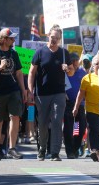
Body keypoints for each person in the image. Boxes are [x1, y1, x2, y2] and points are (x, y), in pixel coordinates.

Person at [0, 28, 27, 161]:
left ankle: (12, 149)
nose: (13, 40)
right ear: (4, 40)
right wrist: (0, 67)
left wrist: (23, 90)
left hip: (13, 90)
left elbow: (19, 73)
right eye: (11, 38)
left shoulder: (14, 53)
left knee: (15, 117)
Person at [28, 25, 71, 161]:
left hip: (59, 93)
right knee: (43, 123)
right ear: (48, 35)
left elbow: (72, 71)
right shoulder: (40, 52)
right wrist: (30, 91)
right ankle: (42, 148)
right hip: (42, 94)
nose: (55, 40)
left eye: (58, 38)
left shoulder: (64, 53)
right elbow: (31, 72)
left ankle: (55, 152)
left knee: (57, 121)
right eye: (53, 37)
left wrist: (67, 69)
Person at [73, 56, 99, 161]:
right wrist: (76, 107)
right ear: (92, 65)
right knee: (93, 130)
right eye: (96, 64)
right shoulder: (87, 78)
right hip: (91, 109)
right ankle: (94, 150)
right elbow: (80, 94)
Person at [63, 53, 87, 159]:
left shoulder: (82, 72)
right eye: (73, 61)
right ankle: (70, 150)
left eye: (76, 60)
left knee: (79, 127)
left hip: (80, 104)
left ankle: (76, 147)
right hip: (68, 103)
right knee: (68, 127)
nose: (75, 63)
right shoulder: (65, 72)